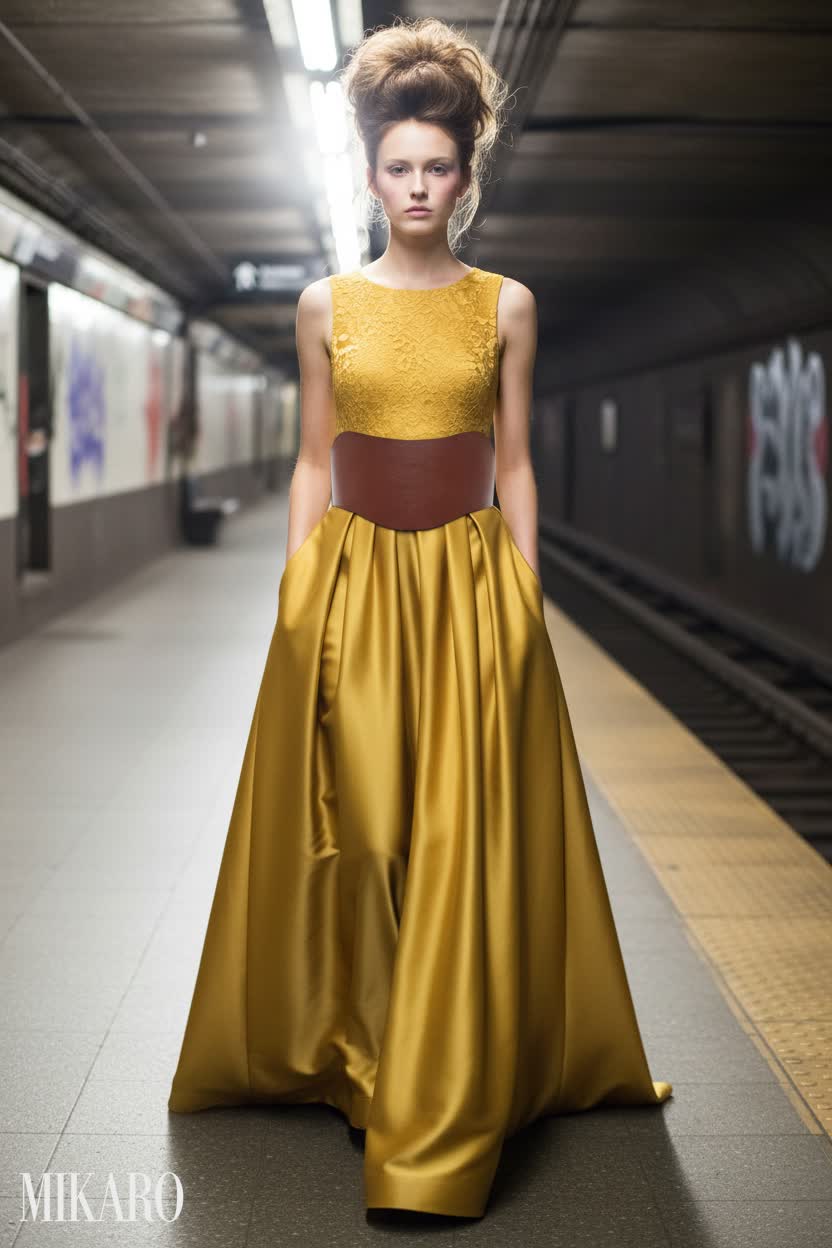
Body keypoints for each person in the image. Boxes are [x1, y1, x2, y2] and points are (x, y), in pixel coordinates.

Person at [167, 15, 672, 1221]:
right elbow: (307, 460)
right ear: (369, 172)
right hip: (349, 585)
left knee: (457, 835)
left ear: (464, 175)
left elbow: (516, 461)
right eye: (397, 166)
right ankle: (355, 1053)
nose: (415, 186)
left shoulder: (505, 305)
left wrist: (525, 593)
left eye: (436, 168)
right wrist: (296, 588)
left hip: (468, 585)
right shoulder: (322, 305)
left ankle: (432, 1090)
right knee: (370, 828)